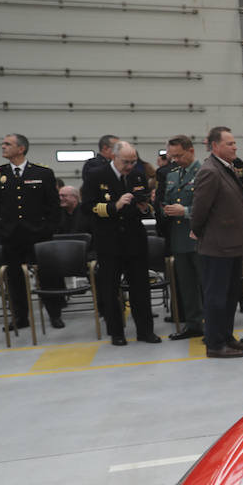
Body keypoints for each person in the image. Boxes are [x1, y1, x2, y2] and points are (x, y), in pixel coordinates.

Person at [82, 140, 160, 346]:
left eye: (133, 161)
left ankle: (145, 331)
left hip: (134, 239)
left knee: (141, 288)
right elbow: (88, 207)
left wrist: (144, 206)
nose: (130, 165)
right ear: (114, 157)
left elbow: (143, 204)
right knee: (110, 288)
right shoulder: (96, 176)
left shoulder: (137, 174)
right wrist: (114, 206)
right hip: (109, 240)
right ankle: (117, 332)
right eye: (126, 161)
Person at [0, 134, 65, 331]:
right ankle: (20, 317)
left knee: (48, 275)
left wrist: (49, 228)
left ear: (21, 148)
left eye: (8, 144)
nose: (3, 147)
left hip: (38, 234)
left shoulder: (43, 173)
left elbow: (53, 206)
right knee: (14, 279)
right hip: (10, 236)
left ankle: (54, 314)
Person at [192, 126, 243, 358]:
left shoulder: (225, 168)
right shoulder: (210, 171)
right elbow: (199, 210)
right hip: (217, 245)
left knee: (230, 295)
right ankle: (215, 344)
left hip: (231, 244)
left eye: (234, 143)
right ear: (215, 146)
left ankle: (227, 336)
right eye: (229, 143)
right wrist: (198, 231)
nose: (235, 146)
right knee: (216, 297)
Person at [158, 135, 204, 340]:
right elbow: (166, 200)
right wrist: (164, 209)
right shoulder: (173, 175)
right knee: (186, 285)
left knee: (205, 285)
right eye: (172, 156)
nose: (175, 160)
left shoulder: (204, 173)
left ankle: (211, 325)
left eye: (178, 155)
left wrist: (184, 211)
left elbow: (211, 208)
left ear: (191, 151)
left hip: (199, 238)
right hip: (179, 239)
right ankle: (193, 324)